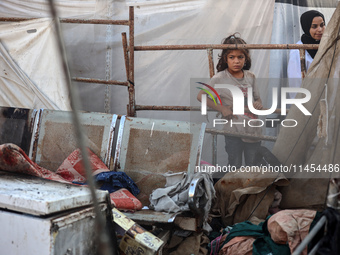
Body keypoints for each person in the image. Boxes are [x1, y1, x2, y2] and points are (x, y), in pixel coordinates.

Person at [197, 33, 263, 169]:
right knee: (235, 165)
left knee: (253, 165)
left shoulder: (251, 77)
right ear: (226, 59)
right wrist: (222, 108)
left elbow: (257, 98)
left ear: (246, 58)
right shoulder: (219, 78)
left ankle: (250, 190)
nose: (236, 61)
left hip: (253, 129)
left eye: (240, 57)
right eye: (232, 57)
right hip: (232, 131)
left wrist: (258, 104)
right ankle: (233, 190)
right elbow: (201, 96)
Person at [287, 10, 326, 98]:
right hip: (309, 100)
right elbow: (295, 82)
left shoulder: (329, 46)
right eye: (314, 26)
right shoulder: (298, 50)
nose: (319, 29)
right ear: (306, 27)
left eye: (322, 25)